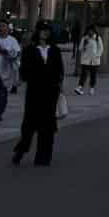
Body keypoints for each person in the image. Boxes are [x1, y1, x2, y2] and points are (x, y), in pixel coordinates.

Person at [13, 21, 65, 165]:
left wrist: (59, 84)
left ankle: (44, 156)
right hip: (35, 92)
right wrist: (33, 78)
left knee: (47, 126)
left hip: (51, 92)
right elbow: (24, 70)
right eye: (42, 30)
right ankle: (21, 149)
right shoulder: (30, 49)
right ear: (38, 32)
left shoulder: (54, 50)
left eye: (47, 30)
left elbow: (60, 70)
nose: (45, 33)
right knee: (29, 125)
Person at [76, 27, 105, 94]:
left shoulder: (97, 38)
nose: (90, 33)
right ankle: (80, 87)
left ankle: (92, 88)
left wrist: (97, 56)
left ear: (94, 31)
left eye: (91, 31)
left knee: (93, 75)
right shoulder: (85, 38)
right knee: (84, 74)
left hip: (95, 61)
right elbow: (80, 49)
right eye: (89, 31)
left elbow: (101, 48)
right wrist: (84, 44)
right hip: (85, 60)